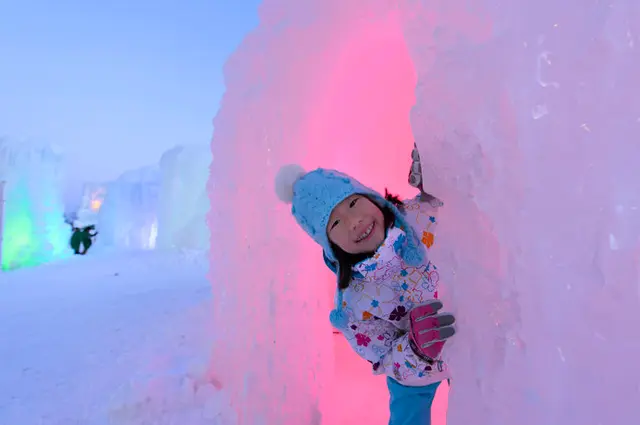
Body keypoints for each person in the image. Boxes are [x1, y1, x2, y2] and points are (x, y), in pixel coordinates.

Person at [274, 145, 456, 425]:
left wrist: (437, 177)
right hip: (415, 370)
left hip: (462, 335)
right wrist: (416, 348)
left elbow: (458, 203)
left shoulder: (417, 217)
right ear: (331, 245)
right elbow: (383, 357)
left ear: (371, 197)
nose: (355, 221)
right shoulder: (354, 305)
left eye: (352, 203)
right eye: (336, 223)